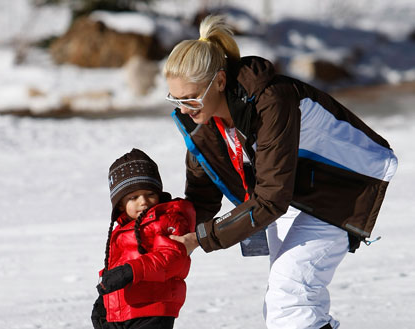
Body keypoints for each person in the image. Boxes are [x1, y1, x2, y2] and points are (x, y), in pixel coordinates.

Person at [163, 15, 398, 329]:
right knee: (282, 307)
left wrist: (202, 238)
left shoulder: (272, 101)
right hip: (292, 191)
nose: (184, 109)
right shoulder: (205, 122)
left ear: (219, 82)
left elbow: (271, 198)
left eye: (190, 98)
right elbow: (202, 195)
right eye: (175, 99)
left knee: (291, 300)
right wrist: (163, 230)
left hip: (343, 185)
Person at [91, 148, 196, 329]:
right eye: (133, 197)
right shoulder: (121, 229)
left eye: (150, 194)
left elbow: (172, 258)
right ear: (120, 203)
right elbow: (117, 270)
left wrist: (130, 271)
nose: (143, 201)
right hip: (124, 311)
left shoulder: (166, 219)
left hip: (153, 309)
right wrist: (105, 301)